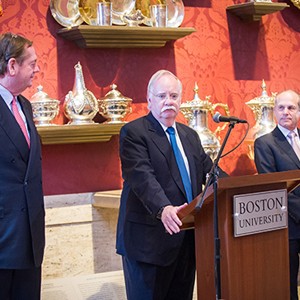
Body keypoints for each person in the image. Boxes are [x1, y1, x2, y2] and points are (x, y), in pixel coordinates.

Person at [116, 70, 225, 300]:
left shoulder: (190, 136)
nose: (169, 101)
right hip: (149, 243)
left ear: (180, 101)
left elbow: (210, 170)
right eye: (162, 96)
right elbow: (142, 177)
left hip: (187, 241)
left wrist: (238, 187)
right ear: (149, 99)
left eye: (174, 96)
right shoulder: (134, 133)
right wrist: (163, 207)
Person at [0, 32, 45, 299]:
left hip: (29, 238)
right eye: (32, 63)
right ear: (12, 65)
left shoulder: (25, 105)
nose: (37, 69)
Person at [254, 90, 300, 300]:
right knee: (287, 284)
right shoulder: (265, 143)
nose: (286, 112)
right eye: (280, 107)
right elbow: (272, 186)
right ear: (274, 112)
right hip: (286, 225)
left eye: (291, 107)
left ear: (298, 112)